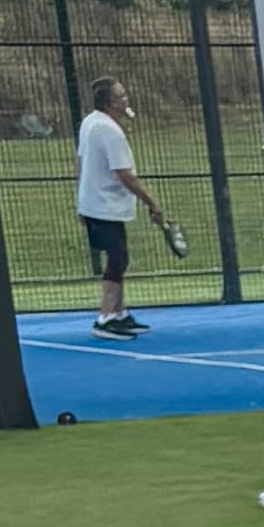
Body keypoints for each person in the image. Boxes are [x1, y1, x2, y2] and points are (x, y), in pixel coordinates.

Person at [73, 79, 178, 339]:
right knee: (117, 258)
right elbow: (125, 175)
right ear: (110, 102)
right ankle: (105, 318)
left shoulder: (90, 122)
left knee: (118, 257)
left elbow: (80, 161)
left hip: (97, 204)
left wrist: (81, 201)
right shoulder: (110, 131)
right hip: (103, 206)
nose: (126, 98)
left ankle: (120, 314)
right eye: (121, 95)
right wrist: (152, 202)